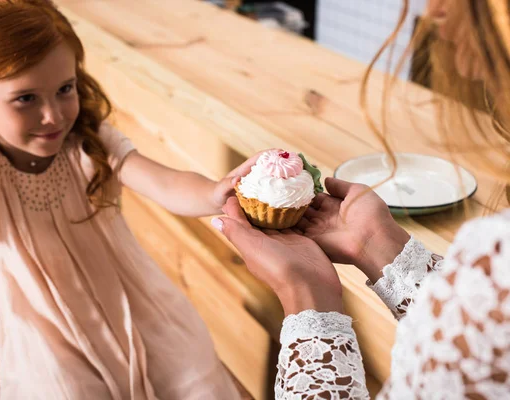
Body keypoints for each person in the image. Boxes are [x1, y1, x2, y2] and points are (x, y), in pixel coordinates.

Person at [0, 0, 258, 398]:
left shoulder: (89, 142)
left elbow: (164, 183)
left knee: (189, 371)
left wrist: (214, 192)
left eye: (64, 89)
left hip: (129, 298)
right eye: (26, 99)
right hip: (43, 322)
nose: (52, 116)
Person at [212, 0, 510, 398]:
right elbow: (479, 334)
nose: (434, 8)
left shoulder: (494, 252)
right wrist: (376, 246)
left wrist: (307, 297)